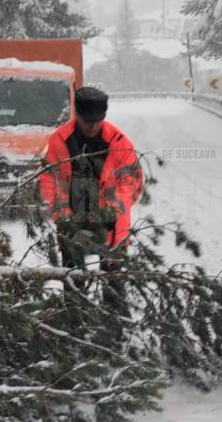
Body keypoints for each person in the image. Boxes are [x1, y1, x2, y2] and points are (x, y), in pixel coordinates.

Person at [39, 87, 144, 284]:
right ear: (77, 114)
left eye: (97, 122)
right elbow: (50, 181)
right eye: (87, 122)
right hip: (72, 224)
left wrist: (113, 210)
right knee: (73, 287)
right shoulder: (59, 141)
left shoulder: (119, 142)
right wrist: (62, 216)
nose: (92, 127)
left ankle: (112, 313)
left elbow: (131, 182)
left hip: (112, 227)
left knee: (114, 288)